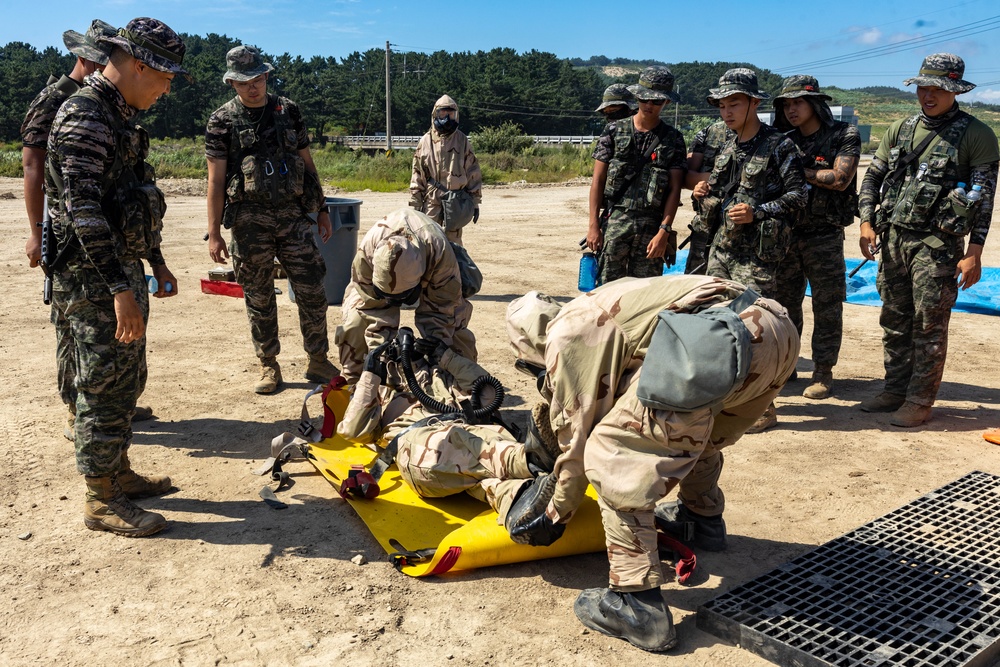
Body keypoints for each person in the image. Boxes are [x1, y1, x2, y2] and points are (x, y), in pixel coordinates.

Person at [504, 275, 800, 652]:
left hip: (711, 343)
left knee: (612, 460)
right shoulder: (604, 299)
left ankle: (638, 607)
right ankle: (703, 521)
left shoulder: (567, 336)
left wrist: (554, 513)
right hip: (771, 329)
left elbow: (576, 449)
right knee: (696, 433)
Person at [46, 17, 188, 537]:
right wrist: (119, 289)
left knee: (127, 378)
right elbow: (82, 210)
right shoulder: (86, 116)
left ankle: (118, 472)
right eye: (165, 77)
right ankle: (100, 498)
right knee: (103, 384)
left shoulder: (121, 116)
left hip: (119, 270)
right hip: (92, 278)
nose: (168, 88)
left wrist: (156, 261)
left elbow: (131, 198)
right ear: (138, 64)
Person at [21, 20, 159, 439]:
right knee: (76, 338)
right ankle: (78, 410)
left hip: (105, 244)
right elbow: (34, 166)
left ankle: (104, 423)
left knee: (111, 366)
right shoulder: (66, 104)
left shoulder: (118, 111)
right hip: (78, 246)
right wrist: (36, 229)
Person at [858, 53, 998, 427]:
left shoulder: (976, 134)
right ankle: (894, 389)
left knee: (928, 324)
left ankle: (919, 400)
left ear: (954, 91)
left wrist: (974, 253)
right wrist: (866, 222)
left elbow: (983, 199)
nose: (928, 95)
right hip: (891, 241)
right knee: (894, 318)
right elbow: (873, 177)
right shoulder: (900, 129)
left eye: (938, 89)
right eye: (924, 87)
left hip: (937, 246)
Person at [205, 45, 338, 394]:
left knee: (312, 287)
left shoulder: (288, 110)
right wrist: (214, 233)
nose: (254, 87)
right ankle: (268, 364)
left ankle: (318, 359)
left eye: (259, 78)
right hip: (250, 220)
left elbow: (307, 164)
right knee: (259, 295)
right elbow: (215, 181)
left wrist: (321, 210)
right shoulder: (221, 121)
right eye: (245, 81)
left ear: (266, 76)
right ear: (232, 82)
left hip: (293, 216)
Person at [692, 68, 808, 433]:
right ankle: (722, 399)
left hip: (758, 256)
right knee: (715, 323)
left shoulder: (780, 145)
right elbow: (717, 187)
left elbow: (798, 196)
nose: (727, 112)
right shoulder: (723, 142)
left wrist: (758, 211)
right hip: (721, 249)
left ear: (754, 102)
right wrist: (701, 192)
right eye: (722, 105)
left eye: (734, 103)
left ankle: (763, 408)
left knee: (757, 331)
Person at [337, 330, 554, 522]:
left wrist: (446, 357)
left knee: (486, 467)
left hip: (469, 443)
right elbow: (353, 430)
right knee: (456, 441)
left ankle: (521, 501)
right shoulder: (380, 394)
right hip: (421, 448)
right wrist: (371, 374)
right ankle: (531, 459)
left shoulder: (439, 378)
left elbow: (488, 395)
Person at [772, 75, 860, 400]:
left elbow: (839, 178)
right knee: (783, 305)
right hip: (787, 233)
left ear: (815, 103)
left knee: (826, 305)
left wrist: (796, 171)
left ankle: (823, 371)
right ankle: (786, 366)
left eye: (798, 102)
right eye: (786, 104)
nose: (792, 110)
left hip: (824, 235)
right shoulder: (783, 139)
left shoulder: (842, 135)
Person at [336, 207, 478, 384]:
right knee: (355, 322)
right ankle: (354, 383)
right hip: (373, 285)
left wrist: (437, 348)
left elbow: (441, 312)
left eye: (402, 298)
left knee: (455, 328)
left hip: (434, 274)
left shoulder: (439, 255)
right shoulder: (367, 255)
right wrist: (378, 354)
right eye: (387, 297)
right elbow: (373, 309)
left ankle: (461, 384)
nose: (393, 302)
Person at [587, 66, 687, 285]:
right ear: (637, 97)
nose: (649, 105)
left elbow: (674, 189)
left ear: (667, 102)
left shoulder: (673, 139)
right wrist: (593, 225)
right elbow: (598, 181)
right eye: (644, 99)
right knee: (607, 291)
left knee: (645, 293)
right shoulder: (614, 131)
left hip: (651, 228)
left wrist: (664, 231)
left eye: (656, 101)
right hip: (615, 222)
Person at [409, 95, 482, 245]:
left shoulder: (462, 141)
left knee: (454, 245)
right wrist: (415, 203)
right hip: (431, 201)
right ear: (435, 114)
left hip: (455, 202)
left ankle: (454, 269)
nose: (447, 118)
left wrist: (475, 202)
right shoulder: (425, 142)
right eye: (443, 114)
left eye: (451, 114)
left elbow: (472, 171)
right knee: (429, 242)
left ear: (456, 115)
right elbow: (417, 173)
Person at [682, 119, 732, 274]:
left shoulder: (766, 139)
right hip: (706, 226)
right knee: (696, 285)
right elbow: (687, 177)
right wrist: (714, 180)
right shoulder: (708, 133)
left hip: (740, 231)